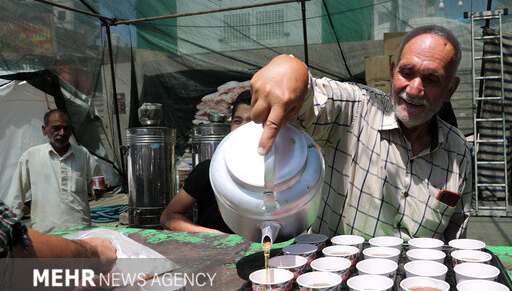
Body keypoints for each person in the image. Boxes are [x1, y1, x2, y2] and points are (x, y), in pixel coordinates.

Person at [249, 25, 472, 242]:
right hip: (335, 274)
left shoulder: (458, 151)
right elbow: (311, 94)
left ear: (450, 90)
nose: (414, 89)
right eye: (406, 73)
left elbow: (455, 236)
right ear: (392, 71)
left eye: (432, 79)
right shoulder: (355, 109)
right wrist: (289, 68)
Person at [160, 90, 252, 233]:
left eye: (252, 121)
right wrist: (213, 235)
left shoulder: (279, 174)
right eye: (237, 121)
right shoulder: (208, 170)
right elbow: (169, 217)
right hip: (215, 251)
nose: (242, 128)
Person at [6, 109, 105, 234]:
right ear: (44, 130)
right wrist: (11, 226)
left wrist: (98, 192)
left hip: (80, 230)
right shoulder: (31, 156)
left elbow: (95, 187)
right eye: (56, 128)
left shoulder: (82, 154)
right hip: (45, 232)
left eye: (66, 128)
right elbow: (16, 196)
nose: (62, 133)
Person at [0, 199, 116, 271]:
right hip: (47, 234)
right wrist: (92, 253)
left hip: (80, 229)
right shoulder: (29, 159)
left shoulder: (83, 159)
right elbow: (16, 243)